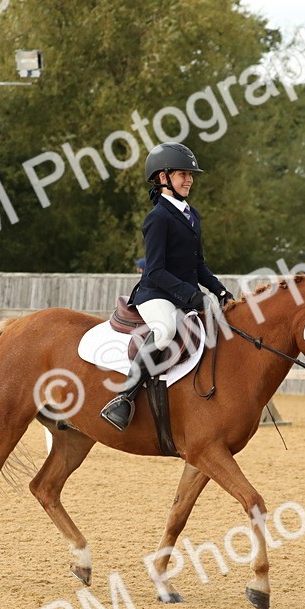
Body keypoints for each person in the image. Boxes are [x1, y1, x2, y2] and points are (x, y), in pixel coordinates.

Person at [100, 142, 233, 431]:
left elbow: (198, 266)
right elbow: (156, 270)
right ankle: (124, 398)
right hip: (155, 294)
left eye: (190, 175)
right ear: (164, 178)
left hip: (182, 296)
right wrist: (193, 296)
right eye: (183, 174)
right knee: (165, 331)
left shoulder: (191, 214)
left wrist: (220, 291)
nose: (189, 180)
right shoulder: (158, 218)